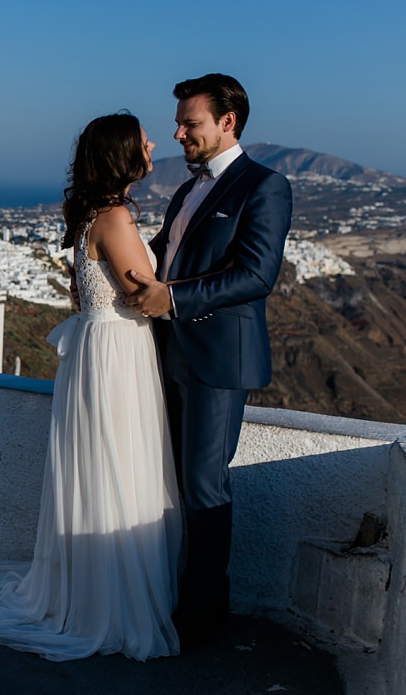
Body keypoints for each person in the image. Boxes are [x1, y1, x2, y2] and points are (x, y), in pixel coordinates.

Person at [0, 113, 183, 661]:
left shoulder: (98, 215)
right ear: (122, 153)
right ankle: (110, 598)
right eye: (142, 138)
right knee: (118, 463)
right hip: (117, 354)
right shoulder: (116, 218)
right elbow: (145, 292)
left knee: (103, 466)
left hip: (99, 353)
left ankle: (93, 586)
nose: (151, 144)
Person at [122, 73, 294, 645]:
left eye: (189, 123)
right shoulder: (187, 188)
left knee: (203, 485)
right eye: (178, 122)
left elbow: (255, 275)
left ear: (228, 122)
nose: (178, 133)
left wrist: (170, 297)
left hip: (219, 360)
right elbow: (164, 254)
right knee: (170, 479)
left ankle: (200, 616)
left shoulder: (265, 186)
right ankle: (171, 594)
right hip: (168, 353)